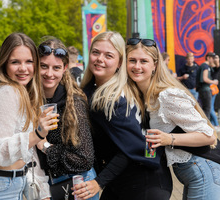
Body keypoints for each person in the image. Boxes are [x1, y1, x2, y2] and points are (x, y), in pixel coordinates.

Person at [126, 38, 220, 200]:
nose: (137, 66)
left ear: (155, 65)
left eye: (144, 61)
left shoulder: (167, 95)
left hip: (206, 170)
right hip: (194, 173)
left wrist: (168, 138)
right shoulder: (142, 95)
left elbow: (209, 135)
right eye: (132, 60)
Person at [74, 32, 173, 200]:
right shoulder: (91, 90)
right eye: (96, 52)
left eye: (109, 55)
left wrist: (99, 182)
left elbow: (137, 146)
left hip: (145, 182)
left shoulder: (114, 99)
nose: (100, 59)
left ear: (120, 62)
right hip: (119, 180)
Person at [0, 33, 51, 200]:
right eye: (15, 62)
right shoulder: (8, 92)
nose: (23, 68)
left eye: (29, 61)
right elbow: (0, 153)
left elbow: (22, 154)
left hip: (6, 186)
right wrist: (38, 134)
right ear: (4, 64)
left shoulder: (19, 91)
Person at [36, 37, 98, 200]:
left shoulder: (73, 102)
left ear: (64, 68)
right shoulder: (32, 99)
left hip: (78, 185)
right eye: (44, 66)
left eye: (56, 67)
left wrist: (45, 147)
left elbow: (84, 158)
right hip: (47, 184)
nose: (49, 73)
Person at [196, 52, 219, 118]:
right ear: (208, 58)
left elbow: (217, 67)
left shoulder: (206, 66)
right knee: (207, 110)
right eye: (213, 58)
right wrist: (213, 82)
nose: (214, 60)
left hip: (203, 90)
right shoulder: (205, 66)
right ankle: (206, 126)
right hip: (205, 90)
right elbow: (205, 78)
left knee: (205, 109)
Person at [210, 55, 220, 132]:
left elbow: (218, 65)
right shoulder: (209, 67)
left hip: (212, 89)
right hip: (210, 89)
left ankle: (217, 124)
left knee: (210, 108)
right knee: (211, 108)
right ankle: (213, 123)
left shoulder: (215, 68)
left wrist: (217, 59)